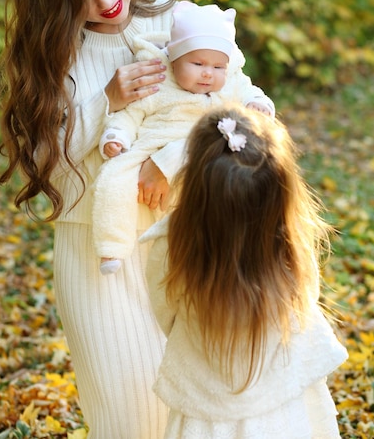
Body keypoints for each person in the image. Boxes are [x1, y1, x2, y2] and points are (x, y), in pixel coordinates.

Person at [0, 0, 181, 439]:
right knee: (131, 419)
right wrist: (107, 103)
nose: (105, 3)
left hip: (185, 239)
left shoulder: (178, 21)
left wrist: (167, 161)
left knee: (200, 414)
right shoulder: (52, 57)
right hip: (96, 262)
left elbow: (237, 113)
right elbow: (51, 168)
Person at [140, 106, 348, 439]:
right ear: (279, 195)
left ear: (194, 185)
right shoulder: (290, 243)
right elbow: (306, 300)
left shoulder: (170, 244)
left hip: (205, 407)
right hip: (283, 404)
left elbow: (165, 312)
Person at [94, 0, 275, 275]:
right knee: (114, 178)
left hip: (205, 156)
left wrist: (259, 105)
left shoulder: (233, 82)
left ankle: (230, 253)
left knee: (232, 188)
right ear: (174, 60)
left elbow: (251, 93)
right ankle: (112, 246)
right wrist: (116, 135)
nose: (207, 73)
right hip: (151, 147)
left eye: (217, 67)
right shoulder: (157, 82)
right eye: (198, 63)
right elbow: (130, 114)